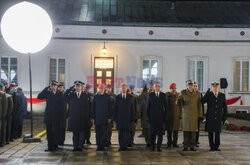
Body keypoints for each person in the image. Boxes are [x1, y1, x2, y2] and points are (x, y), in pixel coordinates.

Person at [37, 80, 65, 152]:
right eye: (52, 86)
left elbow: (63, 106)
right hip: (49, 116)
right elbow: (39, 97)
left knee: (56, 132)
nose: (53, 87)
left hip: (56, 117)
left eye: (54, 86)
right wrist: (46, 88)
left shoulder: (60, 94)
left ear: (57, 87)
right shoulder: (48, 93)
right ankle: (50, 146)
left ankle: (55, 146)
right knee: (49, 132)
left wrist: (62, 117)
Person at [65, 81, 90, 151]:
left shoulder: (85, 95)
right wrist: (70, 88)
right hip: (74, 117)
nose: (77, 88)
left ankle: (80, 146)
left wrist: (87, 117)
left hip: (82, 117)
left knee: (82, 133)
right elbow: (64, 97)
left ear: (81, 87)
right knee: (75, 133)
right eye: (76, 86)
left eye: (79, 86)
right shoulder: (71, 94)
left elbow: (87, 107)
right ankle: (75, 146)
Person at [202, 82, 228, 151]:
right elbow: (202, 101)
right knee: (210, 132)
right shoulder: (209, 95)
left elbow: (225, 107)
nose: (215, 88)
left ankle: (216, 146)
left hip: (218, 117)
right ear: (212, 88)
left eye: (216, 87)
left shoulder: (222, 95)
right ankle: (211, 146)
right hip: (210, 117)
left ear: (218, 87)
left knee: (217, 132)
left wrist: (224, 118)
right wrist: (206, 93)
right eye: (213, 87)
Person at [178, 80, 203, 151]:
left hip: (194, 115)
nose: (190, 86)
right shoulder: (183, 92)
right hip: (186, 115)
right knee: (186, 131)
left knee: (193, 132)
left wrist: (200, 115)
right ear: (187, 86)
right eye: (189, 85)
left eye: (191, 85)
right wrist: (179, 100)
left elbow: (199, 105)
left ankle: (192, 146)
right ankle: (185, 145)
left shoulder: (198, 93)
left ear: (193, 86)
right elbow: (178, 103)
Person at [147, 82, 168, 152]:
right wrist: (147, 117)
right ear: (154, 87)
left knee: (160, 134)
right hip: (152, 118)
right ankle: (153, 146)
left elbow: (166, 107)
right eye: (156, 86)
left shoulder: (163, 95)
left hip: (161, 118)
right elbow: (147, 107)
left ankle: (159, 147)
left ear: (160, 87)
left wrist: (165, 117)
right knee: (152, 134)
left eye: (158, 86)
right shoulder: (150, 95)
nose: (157, 88)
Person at [91, 83, 112, 151]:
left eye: (102, 88)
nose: (101, 89)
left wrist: (109, 117)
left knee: (104, 133)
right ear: (98, 88)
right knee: (98, 133)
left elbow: (110, 108)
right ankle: (98, 145)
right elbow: (93, 108)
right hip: (97, 118)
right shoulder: (95, 96)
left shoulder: (107, 97)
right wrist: (92, 117)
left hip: (105, 118)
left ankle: (102, 146)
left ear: (104, 88)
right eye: (100, 88)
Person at [114, 84, 134, 151]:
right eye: (122, 88)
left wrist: (132, 118)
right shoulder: (117, 97)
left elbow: (132, 108)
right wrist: (115, 118)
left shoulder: (130, 97)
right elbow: (115, 108)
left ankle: (125, 146)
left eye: (124, 88)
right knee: (120, 133)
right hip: (119, 118)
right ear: (121, 89)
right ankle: (121, 145)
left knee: (126, 133)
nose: (123, 89)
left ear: (126, 89)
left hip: (127, 118)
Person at [138, 82, 154, 147]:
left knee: (146, 130)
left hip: (145, 115)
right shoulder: (149, 94)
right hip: (149, 115)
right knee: (149, 130)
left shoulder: (142, 95)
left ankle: (148, 142)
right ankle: (150, 142)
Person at [165, 83, 181, 148]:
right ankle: (169, 143)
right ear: (170, 89)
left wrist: (180, 115)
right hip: (169, 116)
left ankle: (175, 143)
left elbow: (180, 106)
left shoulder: (178, 96)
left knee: (176, 130)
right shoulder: (167, 95)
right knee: (169, 130)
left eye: (174, 88)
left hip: (176, 116)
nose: (174, 89)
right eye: (172, 88)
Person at [193, 82, 204, 147]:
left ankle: (196, 141)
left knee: (197, 129)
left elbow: (201, 105)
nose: (195, 87)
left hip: (197, 114)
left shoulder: (200, 94)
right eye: (194, 86)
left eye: (196, 86)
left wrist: (202, 114)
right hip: (191, 114)